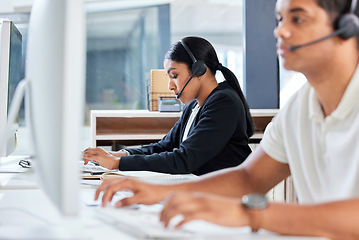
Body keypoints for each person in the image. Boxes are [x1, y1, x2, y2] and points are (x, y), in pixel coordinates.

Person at [94, 0, 359, 239]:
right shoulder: (299, 108)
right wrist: (159, 193)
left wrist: (250, 214)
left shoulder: (224, 101)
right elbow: (248, 178)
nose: (280, 31)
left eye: (298, 18)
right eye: (279, 20)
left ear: (348, 27)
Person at [83, 36, 254, 176]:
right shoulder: (194, 106)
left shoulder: (223, 104)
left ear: (199, 69)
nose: (170, 86)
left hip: (225, 199)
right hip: (202, 192)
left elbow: (184, 159)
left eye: (174, 75)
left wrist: (118, 164)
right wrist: (120, 155)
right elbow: (164, 146)